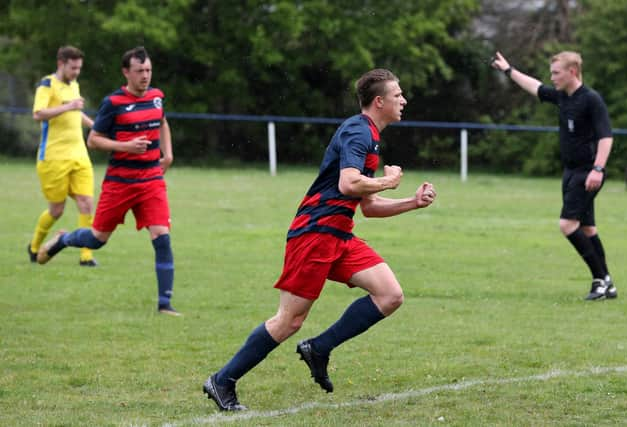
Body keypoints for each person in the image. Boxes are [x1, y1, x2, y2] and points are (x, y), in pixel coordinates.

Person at [202, 68, 437, 411]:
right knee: (288, 321)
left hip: (339, 234)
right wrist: (388, 182)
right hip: (314, 234)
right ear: (379, 101)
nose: (404, 100)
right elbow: (348, 184)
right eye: (398, 94)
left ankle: (319, 348)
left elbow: (367, 207)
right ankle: (222, 381)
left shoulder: (369, 135)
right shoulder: (359, 132)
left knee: (390, 294)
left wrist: (412, 202)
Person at [36, 46, 180, 316]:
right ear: (126, 72)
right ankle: (63, 240)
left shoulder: (157, 97)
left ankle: (165, 305)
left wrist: (168, 154)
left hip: (151, 179)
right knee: (97, 239)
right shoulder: (113, 103)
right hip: (120, 182)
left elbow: (163, 122)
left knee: (162, 237)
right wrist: (125, 146)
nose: (145, 76)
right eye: (139, 71)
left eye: (148, 70)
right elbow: (93, 140)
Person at [491, 51, 617, 301]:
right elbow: (535, 87)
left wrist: (598, 169)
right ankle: (606, 283)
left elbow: (606, 137)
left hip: (587, 172)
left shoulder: (591, 99)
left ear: (572, 72)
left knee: (567, 225)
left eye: (556, 73)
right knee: (588, 229)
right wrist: (508, 70)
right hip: (570, 172)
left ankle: (600, 279)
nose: (552, 77)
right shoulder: (562, 97)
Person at [28, 45, 97, 267]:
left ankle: (86, 256)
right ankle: (34, 246)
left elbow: (76, 111)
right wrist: (68, 107)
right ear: (61, 64)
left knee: (87, 203)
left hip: (79, 155)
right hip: (53, 157)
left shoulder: (74, 84)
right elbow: (38, 114)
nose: (76, 72)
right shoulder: (47, 85)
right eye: (73, 68)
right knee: (56, 211)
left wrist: (95, 127)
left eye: (79, 68)